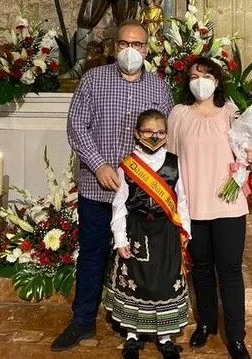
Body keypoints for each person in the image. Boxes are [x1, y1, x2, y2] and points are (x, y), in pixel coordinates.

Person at [51, 20, 174, 352]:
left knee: (140, 258)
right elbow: (76, 125)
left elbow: (166, 133)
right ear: (115, 46)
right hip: (98, 187)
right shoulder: (94, 79)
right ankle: (82, 321)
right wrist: (98, 164)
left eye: (137, 44)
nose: (130, 50)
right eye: (124, 44)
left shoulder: (158, 87)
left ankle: (141, 324)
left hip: (141, 194)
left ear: (147, 49)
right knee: (92, 254)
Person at [167, 57, 252, 359]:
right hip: (194, 205)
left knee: (230, 270)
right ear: (187, 82)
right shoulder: (179, 114)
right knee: (201, 268)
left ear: (218, 81)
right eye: (194, 76)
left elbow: (249, 156)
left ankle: (236, 337)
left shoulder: (231, 113)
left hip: (228, 205)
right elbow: (170, 160)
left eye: (207, 76)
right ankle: (207, 322)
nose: (200, 81)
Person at [105, 109, 190, 359]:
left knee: (164, 281)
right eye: (148, 132)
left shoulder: (174, 163)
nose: (154, 136)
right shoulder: (128, 165)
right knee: (137, 281)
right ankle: (132, 336)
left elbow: (182, 200)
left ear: (167, 135)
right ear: (137, 133)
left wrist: (186, 232)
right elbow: (119, 204)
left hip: (166, 231)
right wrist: (120, 238)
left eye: (160, 132)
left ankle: (165, 338)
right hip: (137, 230)